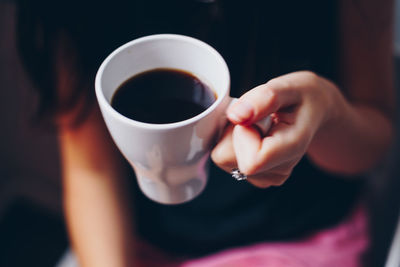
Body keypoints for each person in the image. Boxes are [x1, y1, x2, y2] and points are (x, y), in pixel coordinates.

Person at [16, 0, 394, 266]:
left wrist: (326, 112)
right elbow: (92, 171)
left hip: (301, 237)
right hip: (140, 245)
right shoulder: (65, 8)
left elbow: (375, 142)